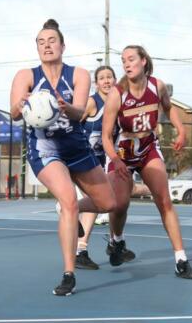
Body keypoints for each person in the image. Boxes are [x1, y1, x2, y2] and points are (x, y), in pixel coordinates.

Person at [10, 19, 118, 296]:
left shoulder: (79, 74)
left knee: (108, 203)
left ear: (62, 45)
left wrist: (64, 106)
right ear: (37, 47)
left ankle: (75, 210)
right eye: (41, 42)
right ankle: (69, 273)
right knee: (67, 200)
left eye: (51, 41)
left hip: (76, 148)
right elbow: (12, 111)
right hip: (45, 149)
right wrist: (22, 103)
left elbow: (80, 111)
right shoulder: (26, 75)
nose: (46, 46)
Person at [81, 45, 192, 279]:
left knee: (164, 200)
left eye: (131, 59)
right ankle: (116, 241)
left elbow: (168, 107)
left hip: (148, 150)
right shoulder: (117, 93)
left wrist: (181, 130)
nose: (126, 64)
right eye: (123, 60)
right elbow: (105, 137)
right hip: (121, 153)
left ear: (143, 61)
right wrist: (115, 159)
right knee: (119, 203)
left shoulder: (157, 86)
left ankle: (181, 260)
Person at [74, 65, 136, 270]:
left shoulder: (118, 101)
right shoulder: (93, 102)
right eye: (102, 78)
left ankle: (114, 242)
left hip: (104, 162)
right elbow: (74, 123)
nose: (107, 81)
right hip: (86, 161)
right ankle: (81, 249)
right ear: (96, 83)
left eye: (110, 77)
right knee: (99, 202)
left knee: (114, 202)